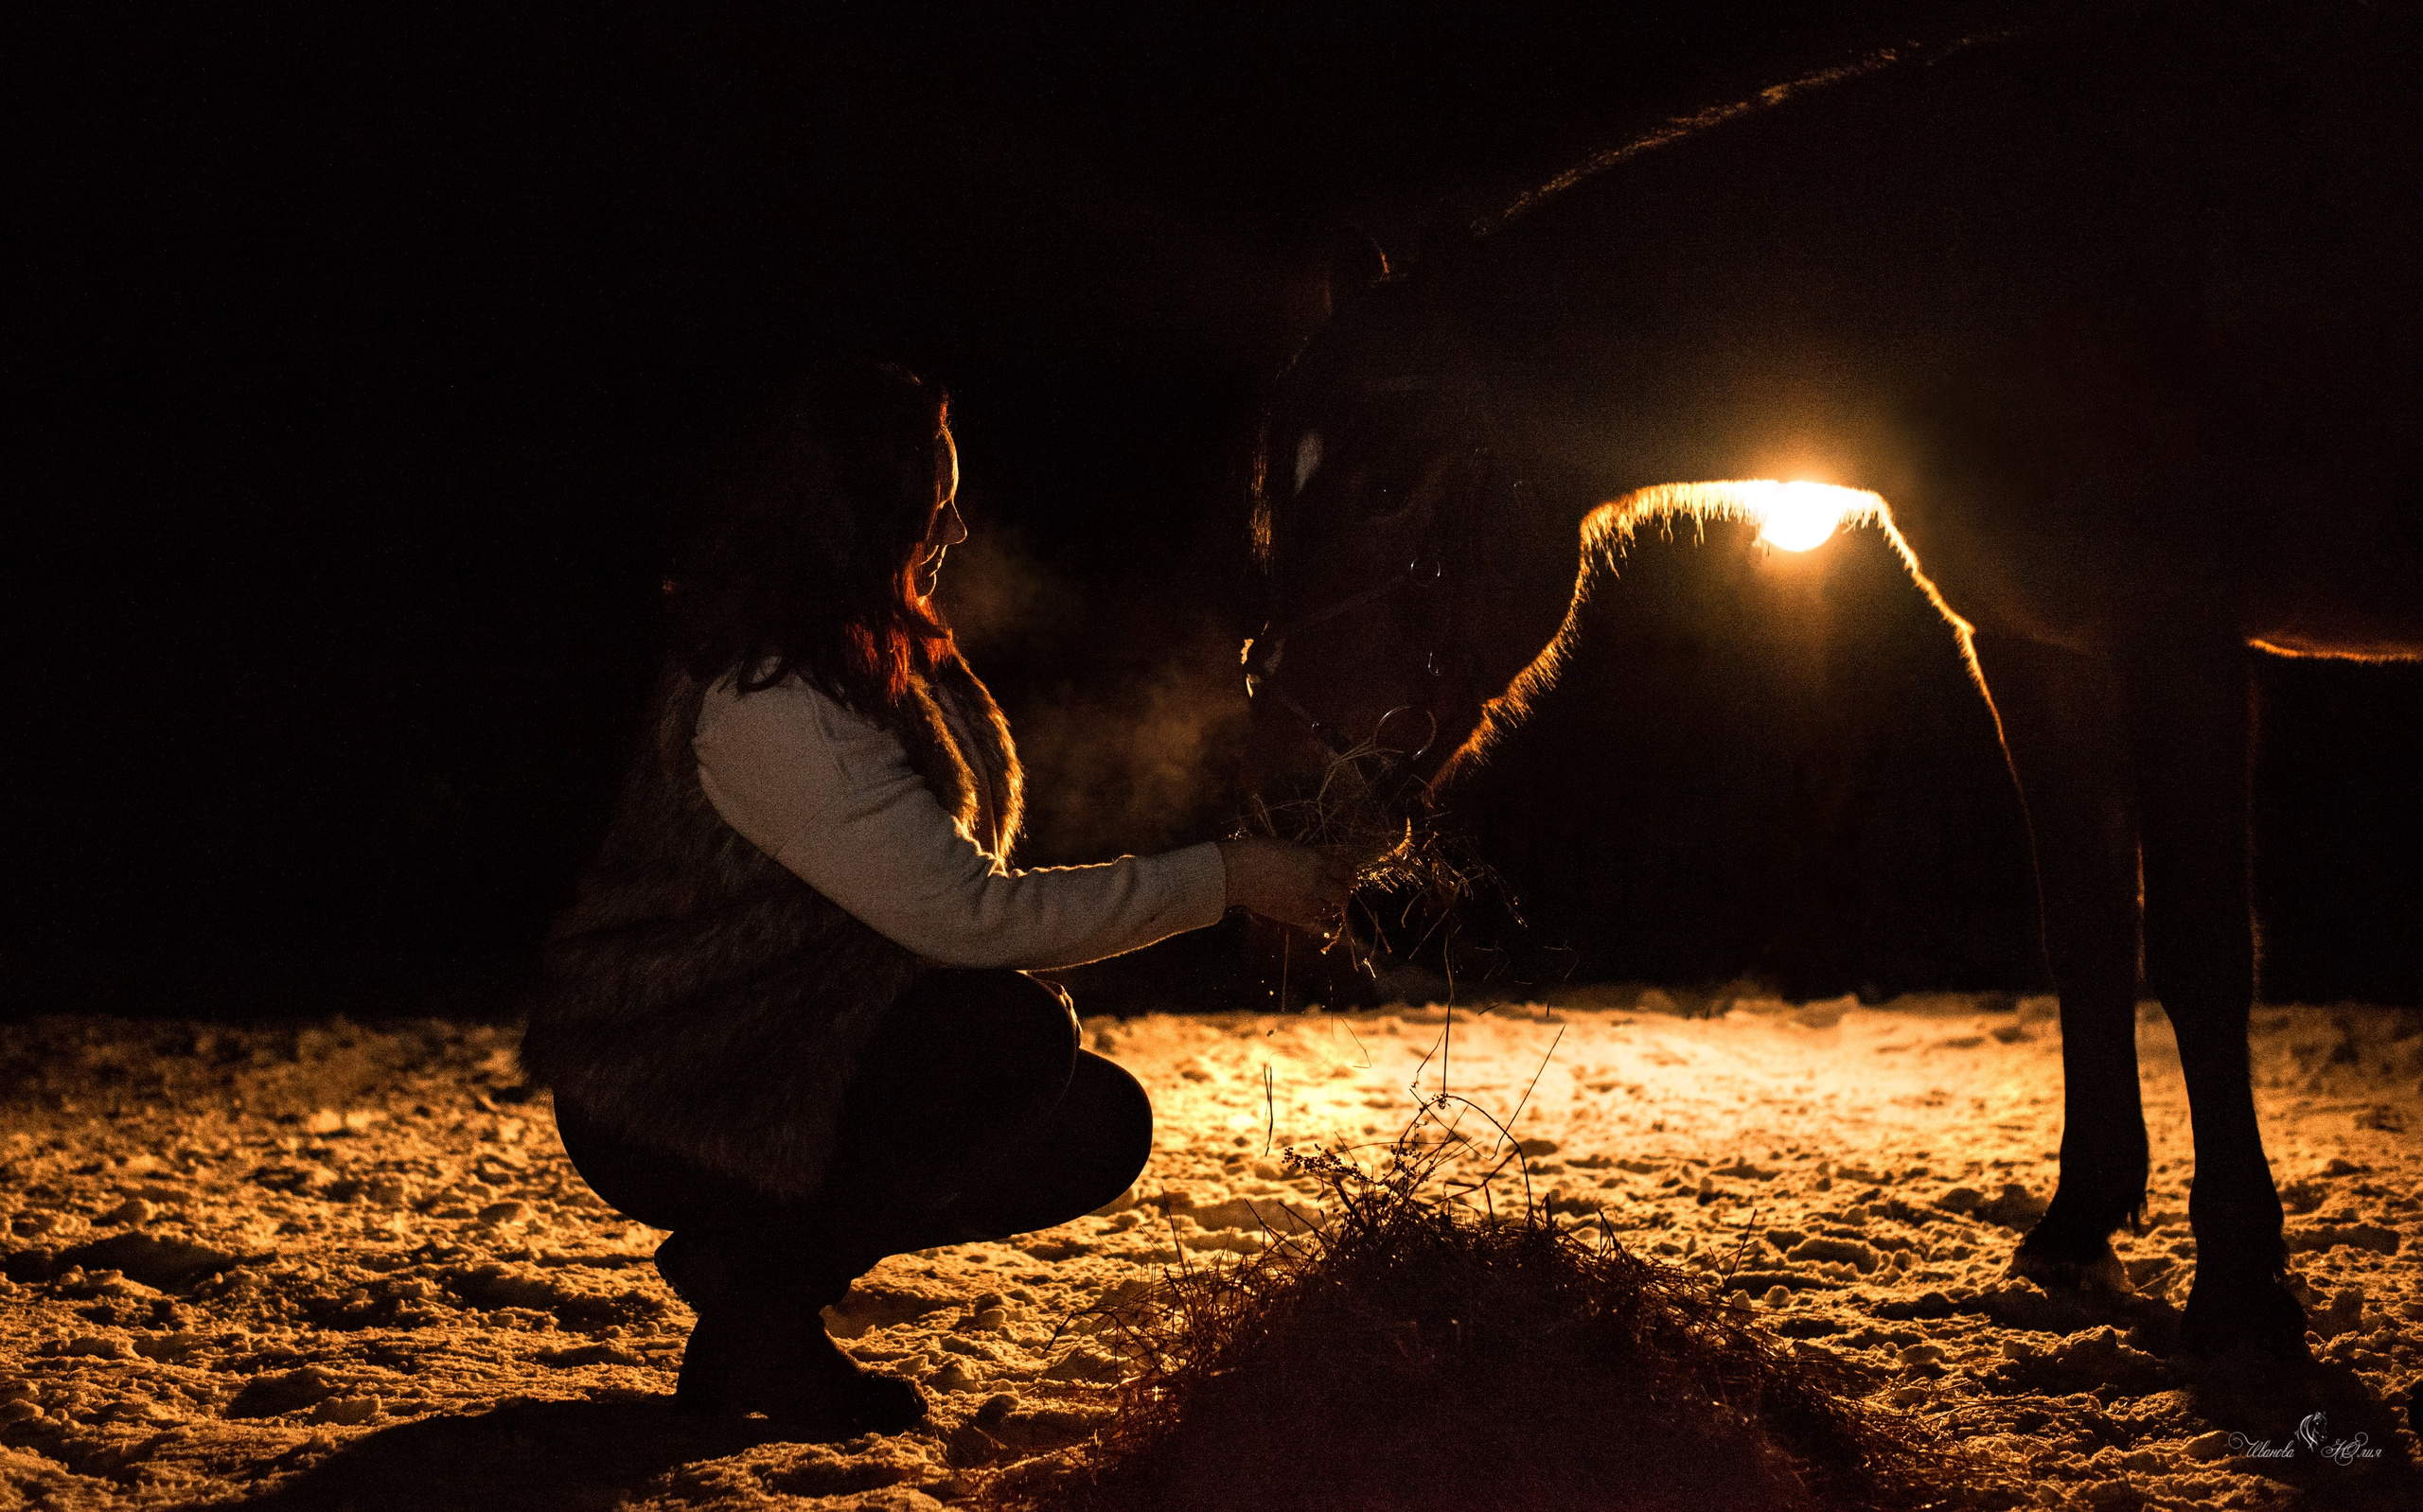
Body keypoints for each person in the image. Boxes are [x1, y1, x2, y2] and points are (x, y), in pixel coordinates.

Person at [520, 361, 1351, 1437]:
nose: (956, 529)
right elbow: (969, 917)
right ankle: (764, 1310)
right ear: (861, 520)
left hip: (787, 1046)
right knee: (1006, 1036)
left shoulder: (861, 658)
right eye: (934, 505)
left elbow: (941, 893)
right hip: (676, 1081)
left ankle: (749, 1284)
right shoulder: (770, 702)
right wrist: (1232, 876)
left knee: (1094, 1122)